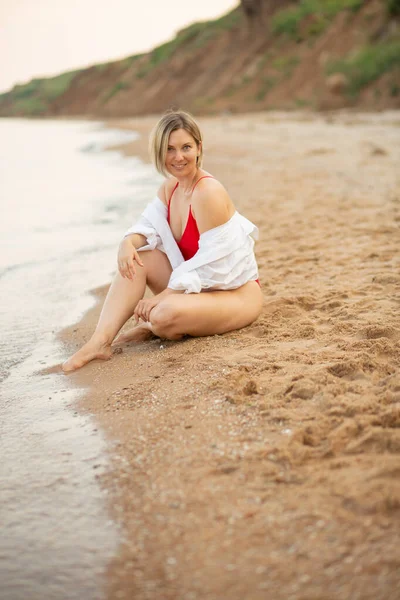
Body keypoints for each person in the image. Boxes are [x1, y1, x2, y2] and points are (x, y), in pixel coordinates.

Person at [63, 110, 263, 372]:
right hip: (196, 289)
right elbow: (148, 228)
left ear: (199, 148)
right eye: (169, 149)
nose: (178, 157)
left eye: (186, 147)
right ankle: (100, 342)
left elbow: (216, 267)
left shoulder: (208, 193)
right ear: (159, 152)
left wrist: (164, 296)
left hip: (234, 294)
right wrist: (127, 243)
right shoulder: (170, 188)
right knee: (140, 258)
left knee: (162, 315)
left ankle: (152, 326)